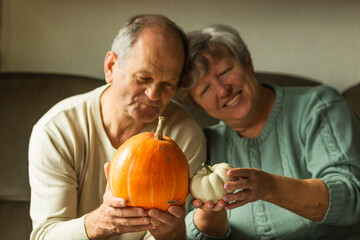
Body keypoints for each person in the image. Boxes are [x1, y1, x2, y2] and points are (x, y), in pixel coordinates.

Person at [28, 14, 206, 240]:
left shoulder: (185, 136)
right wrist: (101, 222)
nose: (153, 95)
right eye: (143, 78)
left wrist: (170, 232)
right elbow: (45, 235)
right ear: (111, 66)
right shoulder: (58, 130)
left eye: (168, 85)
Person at [179, 24, 360, 239]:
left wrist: (270, 187)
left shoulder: (319, 107)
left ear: (248, 62)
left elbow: (351, 200)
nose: (222, 90)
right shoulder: (204, 143)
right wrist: (210, 215)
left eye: (225, 72)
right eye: (205, 89)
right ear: (197, 104)